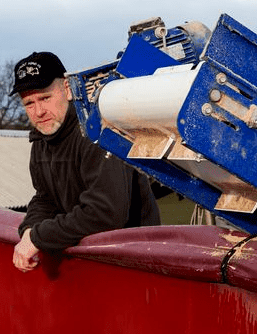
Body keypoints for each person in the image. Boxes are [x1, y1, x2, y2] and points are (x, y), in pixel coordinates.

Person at [11, 51, 160, 271]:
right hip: (92, 262)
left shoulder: (96, 131)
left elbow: (106, 212)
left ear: (67, 89)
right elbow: (45, 199)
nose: (39, 111)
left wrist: (39, 237)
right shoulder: (42, 140)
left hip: (135, 261)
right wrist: (29, 230)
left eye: (45, 98)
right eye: (29, 103)